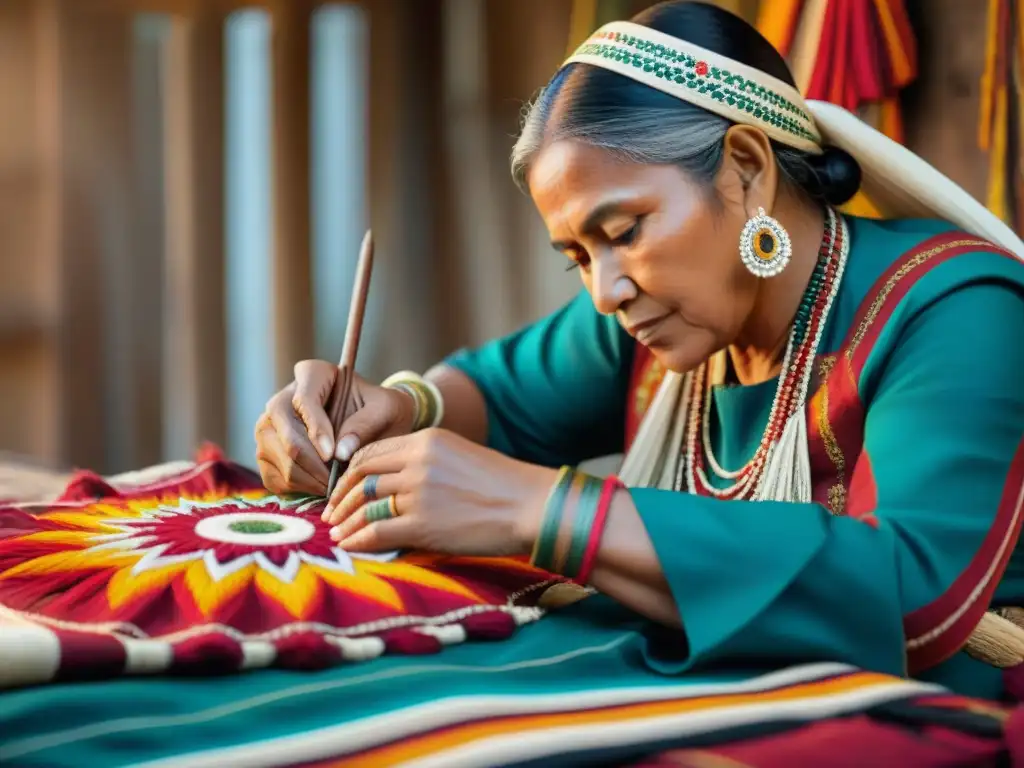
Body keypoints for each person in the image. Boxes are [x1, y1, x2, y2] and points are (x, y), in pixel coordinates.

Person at [255, 0, 1024, 705]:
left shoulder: (955, 310)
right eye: (577, 257)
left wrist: (539, 509)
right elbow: (493, 397)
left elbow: (914, 596)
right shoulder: (664, 316)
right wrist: (383, 412)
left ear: (748, 168)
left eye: (623, 233)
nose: (605, 291)